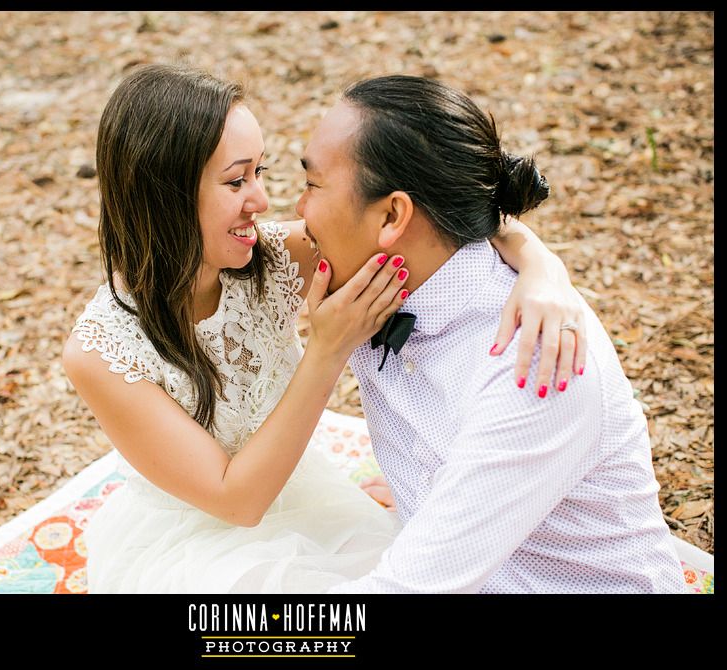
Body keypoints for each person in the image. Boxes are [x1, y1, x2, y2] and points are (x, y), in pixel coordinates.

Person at [61, 64, 587, 593]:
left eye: (260, 172)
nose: (262, 202)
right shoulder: (102, 351)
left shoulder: (270, 259)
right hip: (194, 543)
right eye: (235, 180)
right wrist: (328, 349)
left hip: (305, 501)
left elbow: (435, 213)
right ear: (164, 193)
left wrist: (541, 266)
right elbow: (236, 501)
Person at [291, 75, 687, 593]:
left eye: (312, 184)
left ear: (392, 215)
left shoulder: (534, 359)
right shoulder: (374, 282)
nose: (298, 210)